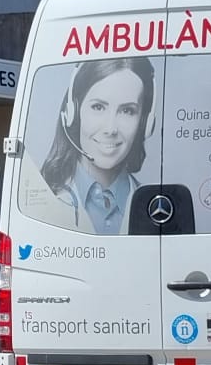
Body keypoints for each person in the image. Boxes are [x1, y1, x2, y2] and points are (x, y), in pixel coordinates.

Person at [22, 56, 157, 235]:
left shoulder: (156, 207)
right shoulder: (39, 199)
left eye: (127, 111)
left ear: (145, 123)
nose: (111, 129)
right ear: (73, 113)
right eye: (98, 107)